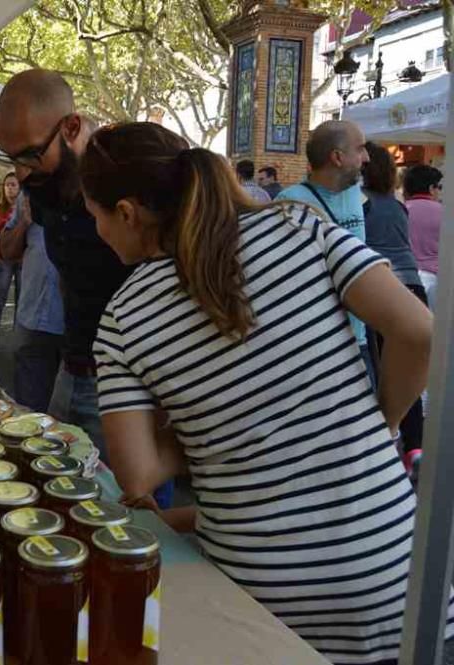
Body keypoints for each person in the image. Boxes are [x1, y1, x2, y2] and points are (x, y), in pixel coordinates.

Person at [83, 121, 443, 665]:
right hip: (390, 573)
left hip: (266, 599)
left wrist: (216, 430)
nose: (99, 235)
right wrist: (381, 421)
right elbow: (419, 332)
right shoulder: (299, 226)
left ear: (128, 213)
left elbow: (138, 475)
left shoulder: (123, 319)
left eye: (97, 219)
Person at [0, 68, 134, 466]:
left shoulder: (125, 175)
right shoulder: (44, 188)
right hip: (71, 369)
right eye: (10, 158)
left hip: (128, 385)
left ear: (72, 127)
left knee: (130, 509)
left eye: (31, 156)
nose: (20, 173)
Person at [277, 120, 373, 378]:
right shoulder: (290, 202)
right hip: (316, 345)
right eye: (361, 149)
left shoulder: (354, 191)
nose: (367, 157)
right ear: (337, 157)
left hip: (358, 338)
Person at [362, 143, 428, 454]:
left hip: (381, 290)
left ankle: (386, 442)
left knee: (379, 372)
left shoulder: (361, 205)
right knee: (406, 377)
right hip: (412, 286)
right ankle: (414, 446)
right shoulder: (396, 204)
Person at [1, 192, 65, 412]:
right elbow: (6, 250)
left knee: (71, 422)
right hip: (33, 320)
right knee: (28, 413)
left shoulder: (95, 189)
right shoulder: (29, 195)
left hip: (79, 329)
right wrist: (24, 223)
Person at [0, 173, 22, 350]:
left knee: (21, 299)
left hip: (23, 259)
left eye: (13, 185)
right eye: (7, 185)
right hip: (4, 257)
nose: (10, 188)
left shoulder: (25, 208)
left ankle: (18, 336)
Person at [404, 164, 443, 310]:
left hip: (407, 278)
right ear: (431, 188)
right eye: (439, 187)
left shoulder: (401, 210)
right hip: (436, 279)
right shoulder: (444, 213)